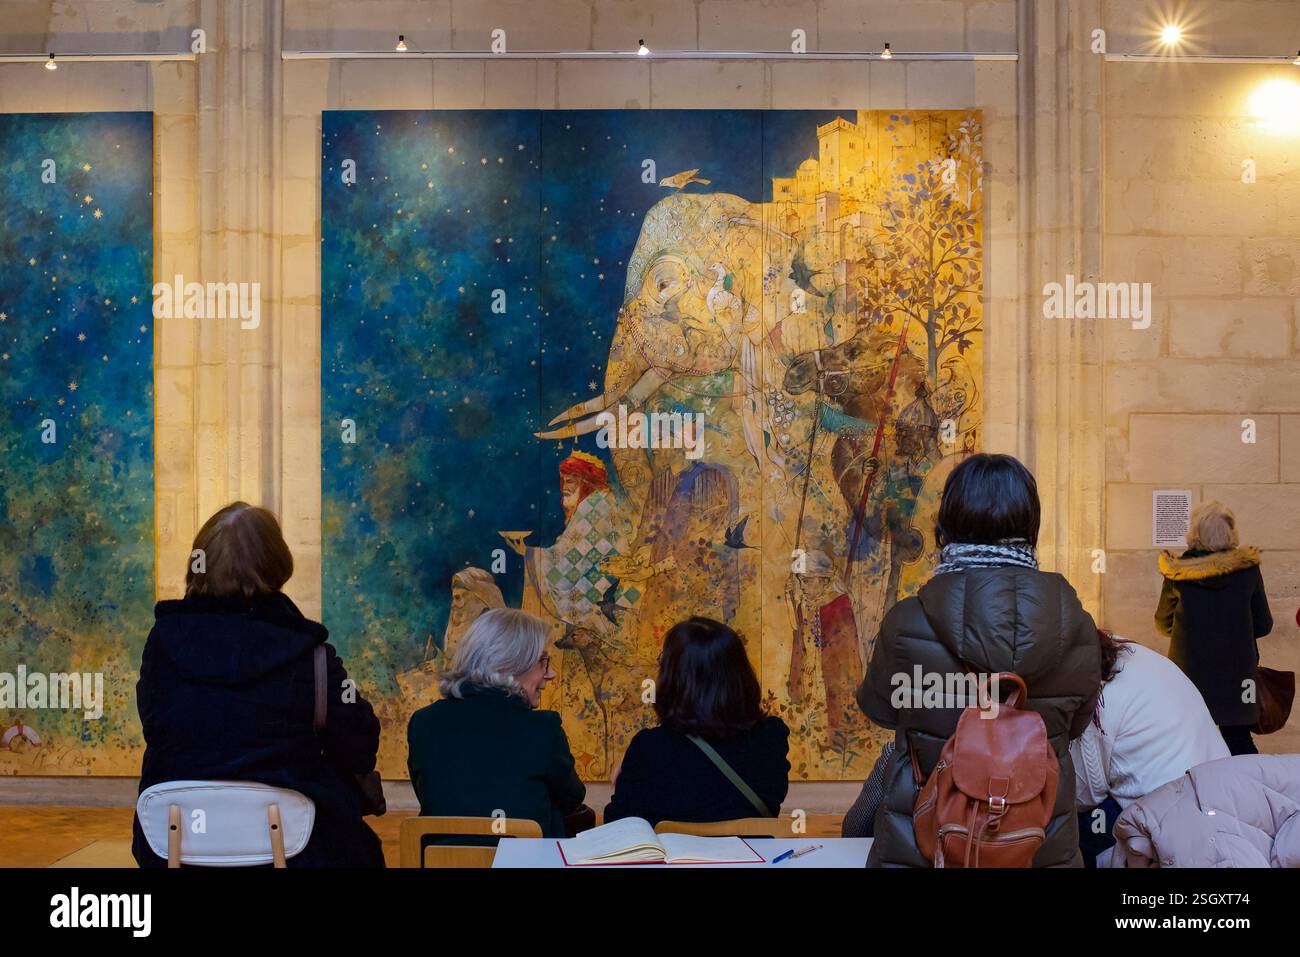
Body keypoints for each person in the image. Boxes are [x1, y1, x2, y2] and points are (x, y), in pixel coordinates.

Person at [858, 453, 1102, 867]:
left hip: (927, 843)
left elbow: (881, 710)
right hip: (1037, 844)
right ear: (1030, 526)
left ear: (946, 525)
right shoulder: (1077, 628)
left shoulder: (906, 623)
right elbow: (1077, 723)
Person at [132, 502, 384, 868]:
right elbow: (360, 742)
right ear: (277, 564)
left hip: (176, 846)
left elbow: (154, 726)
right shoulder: (310, 654)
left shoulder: (161, 644)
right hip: (296, 850)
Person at [406, 608, 585, 840]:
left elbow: (435, 797)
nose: (550, 674)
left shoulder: (422, 723)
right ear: (509, 664)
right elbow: (572, 797)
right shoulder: (543, 728)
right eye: (543, 661)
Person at [604, 617, 790, 826]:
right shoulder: (772, 737)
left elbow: (618, 823)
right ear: (740, 673)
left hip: (671, 858)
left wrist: (633, 764)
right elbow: (767, 805)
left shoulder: (650, 747)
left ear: (673, 678)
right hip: (753, 858)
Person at [1072, 628, 1229, 867]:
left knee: (1061, 826)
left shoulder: (1094, 695)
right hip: (1216, 792)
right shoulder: (1136, 653)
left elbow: (1087, 794)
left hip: (1169, 817)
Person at [1156, 500, 1273, 756]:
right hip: (1239, 674)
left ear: (1195, 532)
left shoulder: (1177, 573)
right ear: (1230, 532)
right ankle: (1247, 793)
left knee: (1191, 742)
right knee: (1240, 741)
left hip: (1189, 673)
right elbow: (1264, 625)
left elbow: (1163, 624)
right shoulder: (1247, 570)